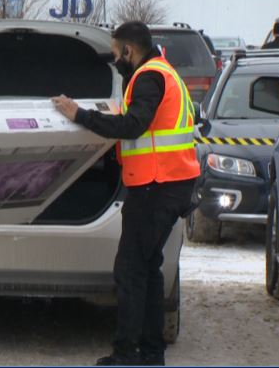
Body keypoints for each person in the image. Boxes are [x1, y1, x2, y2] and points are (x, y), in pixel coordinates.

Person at [52, 21, 199, 366]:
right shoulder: (164, 72)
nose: (115, 60)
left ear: (129, 51)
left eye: (117, 54)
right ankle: (149, 353)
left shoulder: (149, 77)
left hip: (156, 187)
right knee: (147, 269)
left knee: (131, 270)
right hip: (166, 184)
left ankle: (127, 354)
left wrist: (80, 115)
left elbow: (133, 125)